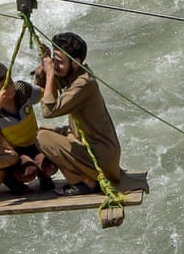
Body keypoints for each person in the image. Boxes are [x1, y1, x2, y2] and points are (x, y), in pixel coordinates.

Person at [35, 32, 123, 196]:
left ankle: (85, 182)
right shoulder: (74, 74)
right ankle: (83, 176)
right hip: (96, 150)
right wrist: (45, 70)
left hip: (101, 160)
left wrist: (49, 74)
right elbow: (48, 85)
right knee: (46, 130)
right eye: (55, 60)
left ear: (76, 62)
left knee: (43, 138)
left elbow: (49, 110)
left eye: (60, 62)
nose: (55, 65)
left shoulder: (83, 83)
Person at [0, 61, 57, 193]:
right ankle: (11, 180)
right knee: (28, 172)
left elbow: (45, 94)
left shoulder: (22, 89)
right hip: (14, 151)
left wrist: (48, 73)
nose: (10, 88)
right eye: (3, 86)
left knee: (50, 166)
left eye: (10, 82)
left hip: (33, 142)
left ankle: (44, 177)